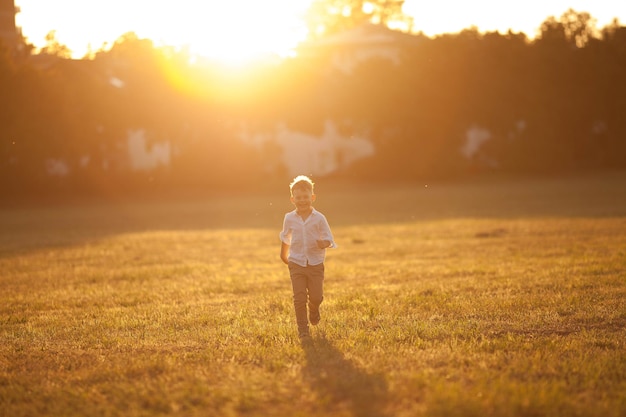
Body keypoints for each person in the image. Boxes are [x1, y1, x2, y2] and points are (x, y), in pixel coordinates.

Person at [280, 175, 336, 339]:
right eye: (298, 197)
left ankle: (314, 308)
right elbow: (285, 237)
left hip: (315, 263)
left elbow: (330, 239)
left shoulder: (319, 218)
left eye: (305, 197)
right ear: (292, 199)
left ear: (312, 197)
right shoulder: (289, 218)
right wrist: (284, 256)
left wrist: (324, 243)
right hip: (296, 262)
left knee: (317, 297)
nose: (302, 200)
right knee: (299, 298)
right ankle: (303, 329)